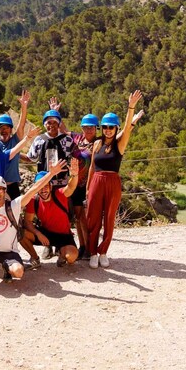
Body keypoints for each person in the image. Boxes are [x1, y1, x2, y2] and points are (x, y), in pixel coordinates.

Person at [0, 161, 67, 283]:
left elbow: (34, 189)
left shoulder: (14, 205)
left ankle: (6, 266)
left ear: (5, 190)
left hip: (8, 253)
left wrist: (51, 174)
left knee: (18, 272)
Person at [86, 90, 143, 269]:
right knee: (93, 218)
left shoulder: (120, 144)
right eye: (105, 127)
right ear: (102, 128)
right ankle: (92, 252)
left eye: (111, 127)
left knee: (109, 219)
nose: (108, 130)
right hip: (96, 181)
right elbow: (92, 168)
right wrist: (88, 189)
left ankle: (103, 252)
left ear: (116, 129)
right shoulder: (96, 144)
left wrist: (131, 108)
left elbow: (127, 128)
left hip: (112, 182)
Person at [20, 160, 80, 269]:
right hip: (46, 233)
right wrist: (38, 233)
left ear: (51, 187)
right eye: (40, 187)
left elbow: (71, 187)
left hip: (64, 235)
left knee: (71, 257)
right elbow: (27, 222)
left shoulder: (60, 194)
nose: (43, 190)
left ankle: (62, 254)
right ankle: (35, 259)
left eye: (46, 186)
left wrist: (74, 175)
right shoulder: (34, 200)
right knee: (20, 233)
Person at [69, 113, 99, 260]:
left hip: (89, 184)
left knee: (86, 218)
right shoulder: (77, 138)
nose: (88, 130)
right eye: (86, 127)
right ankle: (82, 246)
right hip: (75, 183)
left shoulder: (99, 142)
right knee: (78, 216)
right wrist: (54, 111)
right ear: (81, 128)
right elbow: (62, 130)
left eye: (91, 127)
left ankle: (89, 248)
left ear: (96, 128)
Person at [27, 109, 75, 189]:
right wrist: (15, 152)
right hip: (44, 182)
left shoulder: (67, 140)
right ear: (45, 125)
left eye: (54, 123)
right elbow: (31, 158)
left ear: (58, 124)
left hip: (63, 182)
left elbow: (73, 157)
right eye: (49, 123)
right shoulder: (39, 140)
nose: (52, 125)